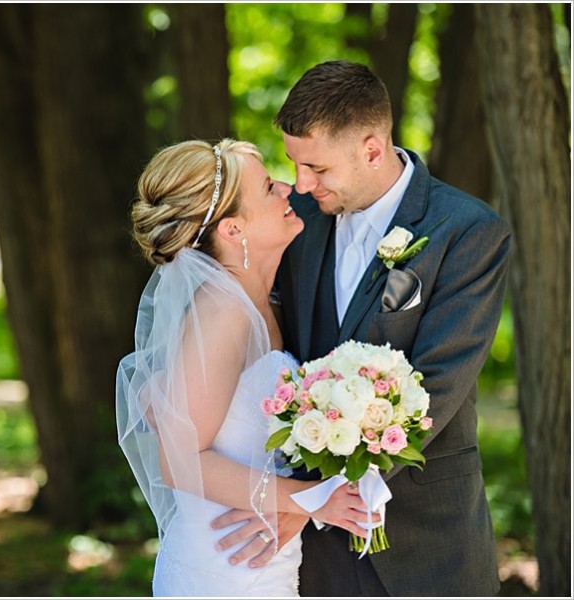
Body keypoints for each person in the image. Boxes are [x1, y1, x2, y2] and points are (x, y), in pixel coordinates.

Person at [212, 60, 510, 596]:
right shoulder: (292, 219)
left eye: (318, 169)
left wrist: (308, 505)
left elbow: (437, 386)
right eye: (294, 165)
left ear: (372, 149)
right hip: (310, 555)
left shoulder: (466, 231)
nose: (301, 184)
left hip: (428, 541)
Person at [116, 138, 378, 597]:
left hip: (266, 564)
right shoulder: (222, 311)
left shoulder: (267, 302)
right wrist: (313, 501)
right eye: (267, 186)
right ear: (234, 229)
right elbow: (181, 463)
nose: (286, 188)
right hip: (221, 568)